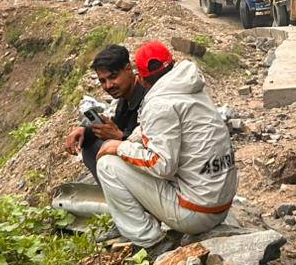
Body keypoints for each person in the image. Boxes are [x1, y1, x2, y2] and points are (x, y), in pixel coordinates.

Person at [95, 41, 238, 253]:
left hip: (197, 213)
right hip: (220, 205)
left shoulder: (159, 103)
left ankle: (152, 242)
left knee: (107, 165)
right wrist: (126, 142)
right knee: (124, 155)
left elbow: (161, 165)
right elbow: (147, 131)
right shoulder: (189, 89)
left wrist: (119, 148)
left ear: (140, 78)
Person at [63, 45, 145, 180]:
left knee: (106, 150)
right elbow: (117, 127)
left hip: (157, 172)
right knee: (89, 144)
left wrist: (120, 137)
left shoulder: (147, 97)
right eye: (102, 81)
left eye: (113, 77)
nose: (108, 86)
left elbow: (154, 146)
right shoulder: (125, 98)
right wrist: (84, 130)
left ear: (128, 69)